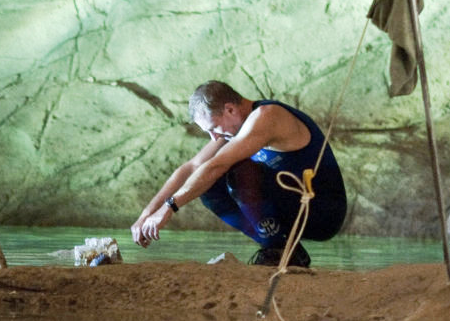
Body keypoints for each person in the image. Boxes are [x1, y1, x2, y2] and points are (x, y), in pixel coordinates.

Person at [131, 81, 347, 267]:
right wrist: (147, 214)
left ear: (230, 109)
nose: (214, 137)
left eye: (214, 128)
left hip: (322, 213)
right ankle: (282, 248)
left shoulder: (267, 116)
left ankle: (280, 252)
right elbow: (192, 167)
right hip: (290, 208)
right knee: (206, 186)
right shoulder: (233, 128)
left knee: (237, 172)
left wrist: (171, 206)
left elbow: (217, 165)